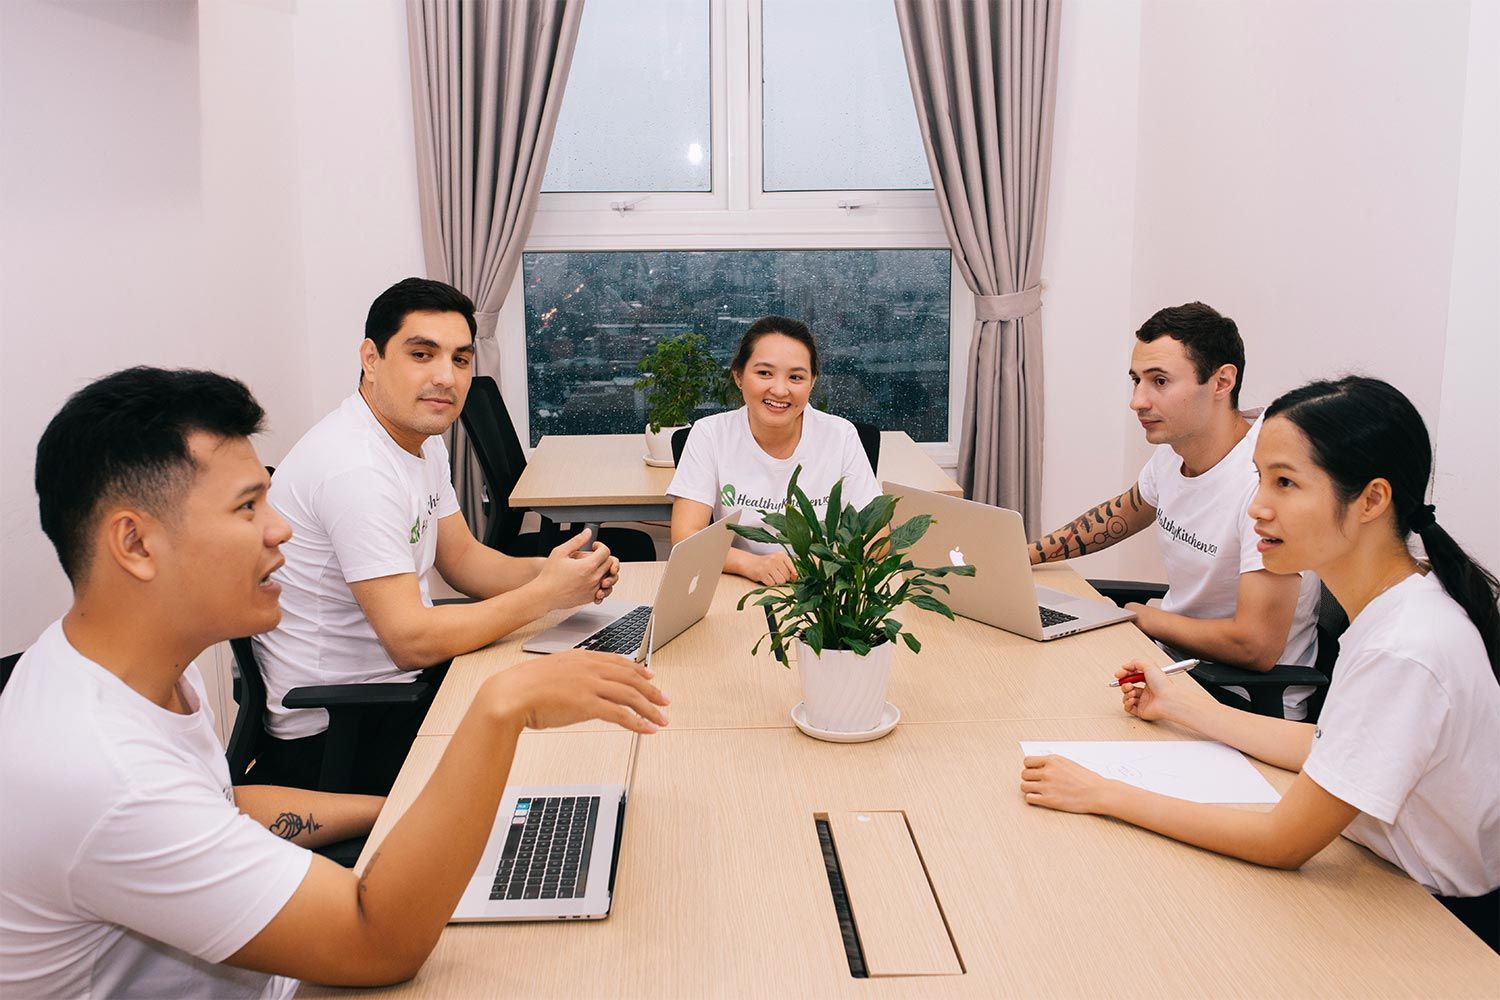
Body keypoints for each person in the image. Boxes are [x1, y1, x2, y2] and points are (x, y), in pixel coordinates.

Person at [0, 367, 668, 998]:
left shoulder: (117, 670)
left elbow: (221, 808)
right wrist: (503, 706)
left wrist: (411, 812)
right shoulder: (103, 772)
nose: (281, 527)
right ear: (135, 544)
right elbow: (380, 947)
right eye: (247, 507)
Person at [1020, 376, 1500, 952]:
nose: (1256, 507)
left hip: (1434, 923)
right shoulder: (1399, 607)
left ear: (1372, 500)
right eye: (1259, 479)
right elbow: (1328, 746)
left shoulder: (1405, 647)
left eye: (1286, 483)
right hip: (1384, 874)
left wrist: (1101, 793)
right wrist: (1185, 707)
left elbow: (1282, 842)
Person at [253, 278, 622, 793]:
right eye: (422, 354)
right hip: (341, 734)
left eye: (461, 359)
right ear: (371, 358)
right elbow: (409, 641)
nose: (445, 377)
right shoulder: (354, 469)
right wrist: (544, 596)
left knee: (582, 705)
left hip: (400, 693)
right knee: (568, 747)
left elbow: (465, 562)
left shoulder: (419, 441)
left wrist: (559, 573)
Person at [1028, 302, 1322, 718]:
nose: (1137, 401)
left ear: (1221, 382)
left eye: (1159, 381)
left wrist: (1142, 616)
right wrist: (1025, 555)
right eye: (1136, 381)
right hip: (1174, 666)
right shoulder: (1175, 450)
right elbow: (1122, 514)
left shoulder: (1267, 479)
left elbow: (1255, 646)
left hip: (1240, 699)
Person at [667, 315, 880, 585]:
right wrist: (752, 565)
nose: (780, 390)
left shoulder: (840, 435)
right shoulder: (710, 434)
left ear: (812, 382)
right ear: (739, 376)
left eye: (796, 377)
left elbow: (877, 534)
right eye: (764, 373)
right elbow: (686, 537)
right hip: (740, 586)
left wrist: (822, 562)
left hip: (825, 586)